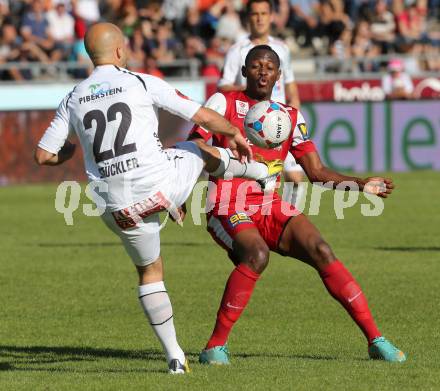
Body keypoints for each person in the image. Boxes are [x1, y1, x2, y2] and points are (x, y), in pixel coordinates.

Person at [34, 23, 282, 374]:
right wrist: (235, 134)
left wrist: (70, 151)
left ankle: (175, 358)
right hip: (159, 185)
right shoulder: (140, 81)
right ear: (120, 51)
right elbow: (201, 116)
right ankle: (261, 174)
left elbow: (43, 155)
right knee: (195, 147)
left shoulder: (73, 97)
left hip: (116, 207)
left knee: (150, 271)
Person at [189, 45, 406, 365]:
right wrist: (224, 165)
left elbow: (316, 172)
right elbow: (195, 144)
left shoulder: (289, 116)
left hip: (267, 204)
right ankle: (214, 347)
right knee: (257, 255)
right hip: (226, 204)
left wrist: (361, 185)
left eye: (270, 67)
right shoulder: (223, 103)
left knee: (322, 250)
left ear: (278, 76)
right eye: (256, 66)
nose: (263, 71)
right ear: (245, 71)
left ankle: (376, 339)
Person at [218, 0, 304, 207]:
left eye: (264, 13)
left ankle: (286, 219)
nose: (259, 18)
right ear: (248, 18)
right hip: (254, 123)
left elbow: (290, 85)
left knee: (295, 178)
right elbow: (223, 87)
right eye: (255, 14)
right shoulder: (237, 50)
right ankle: (260, 217)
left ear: (271, 16)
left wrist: (295, 115)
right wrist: (251, 88)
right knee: (261, 179)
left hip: (281, 122)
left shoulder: (282, 49)